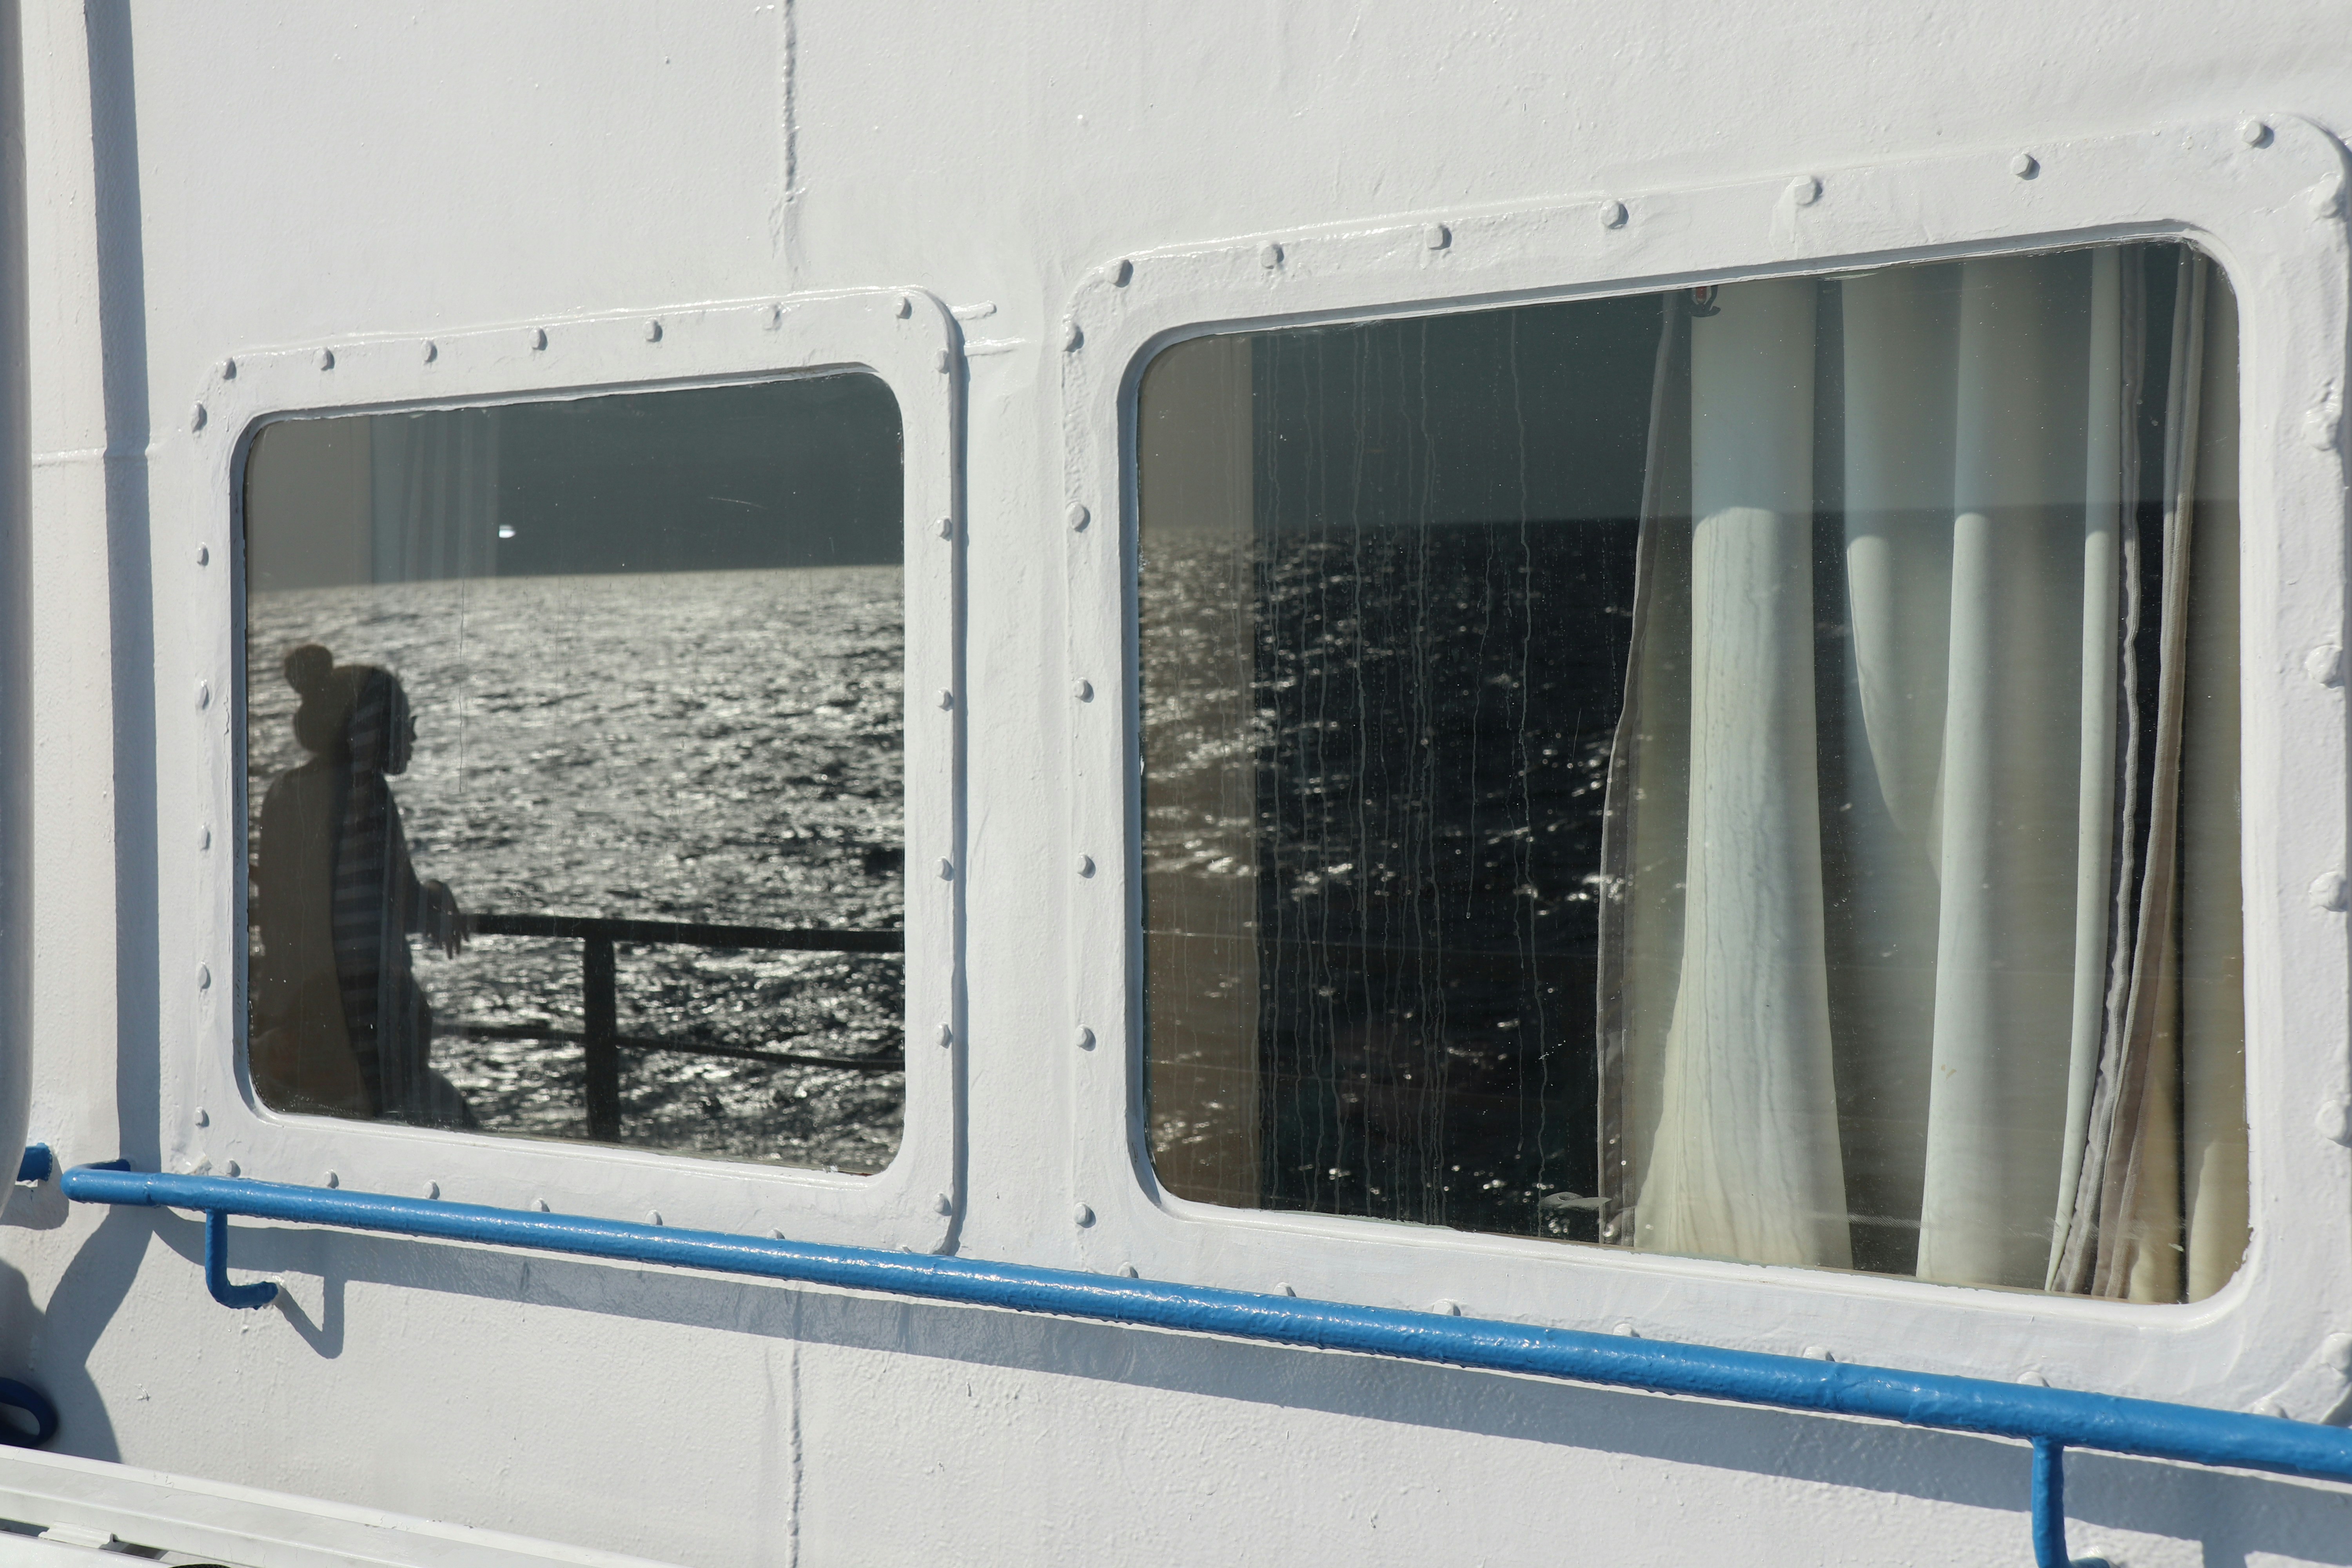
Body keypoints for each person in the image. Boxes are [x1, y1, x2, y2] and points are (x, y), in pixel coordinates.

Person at [250, 643, 475, 1127]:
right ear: (371, 731)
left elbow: (290, 910)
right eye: (403, 723)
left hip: (293, 1020)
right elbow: (389, 906)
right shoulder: (368, 799)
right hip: (355, 1034)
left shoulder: (285, 793)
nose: (412, 736)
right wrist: (433, 896)